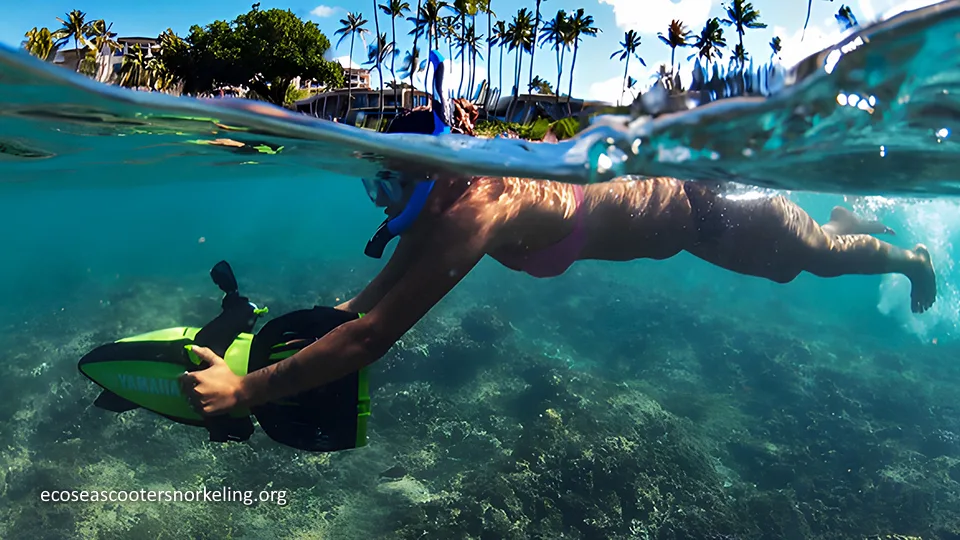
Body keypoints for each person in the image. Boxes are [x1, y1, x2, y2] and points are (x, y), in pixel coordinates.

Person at [180, 52, 937, 417]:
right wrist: (290, 337)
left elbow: (375, 337)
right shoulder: (444, 204)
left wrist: (248, 389)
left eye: (389, 183)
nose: (382, 204)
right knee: (792, 264)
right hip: (685, 226)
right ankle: (844, 224)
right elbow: (367, 303)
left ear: (430, 170)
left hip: (710, 206)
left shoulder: (478, 208)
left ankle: (906, 255)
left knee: (807, 262)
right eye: (375, 185)